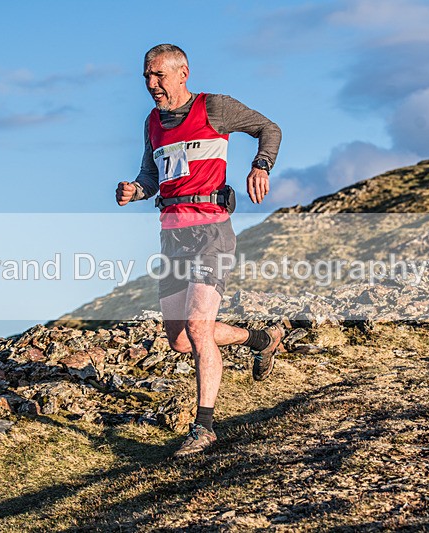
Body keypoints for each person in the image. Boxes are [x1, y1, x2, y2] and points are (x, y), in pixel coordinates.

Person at [115, 44, 283, 457]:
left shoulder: (214, 108)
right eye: (146, 77)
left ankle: (204, 427)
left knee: (197, 326)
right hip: (171, 236)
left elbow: (269, 128)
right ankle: (261, 339)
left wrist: (260, 165)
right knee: (180, 339)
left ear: (182, 72)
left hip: (211, 231)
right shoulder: (152, 123)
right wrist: (134, 190)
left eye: (158, 75)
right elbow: (150, 176)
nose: (151, 84)